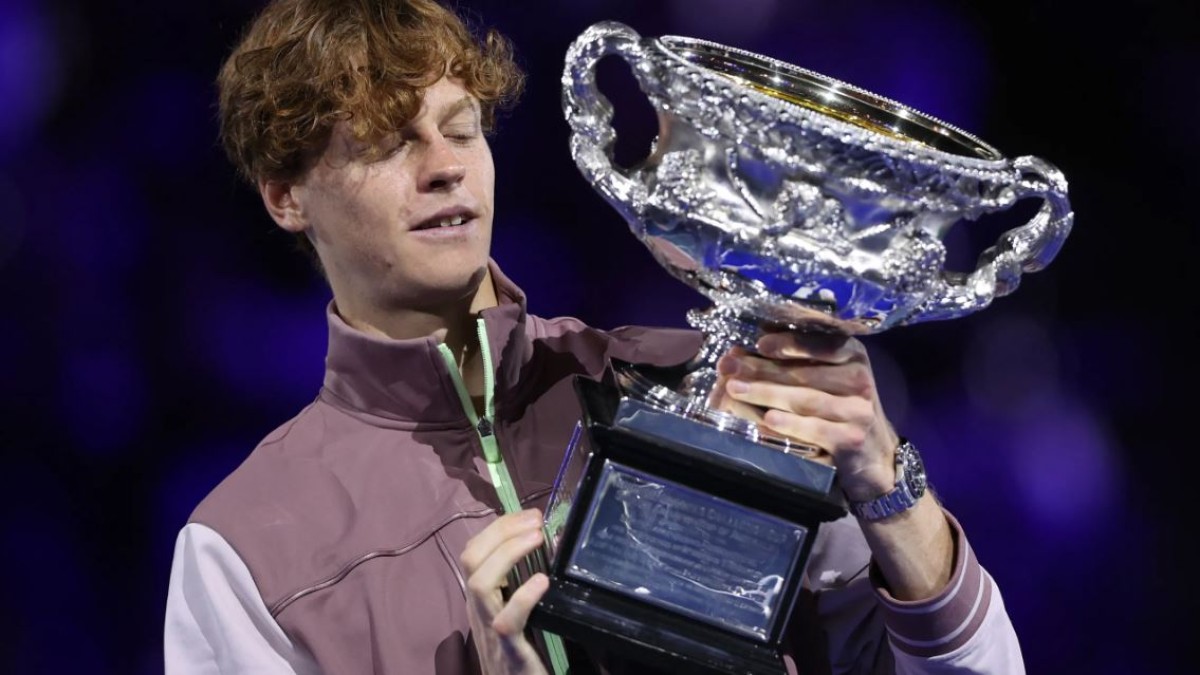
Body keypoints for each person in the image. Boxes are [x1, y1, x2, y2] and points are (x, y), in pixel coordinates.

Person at [163, 0, 1025, 673]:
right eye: (389, 143)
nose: (445, 166)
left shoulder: (707, 389)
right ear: (286, 195)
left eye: (462, 129)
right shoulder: (245, 547)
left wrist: (890, 490)